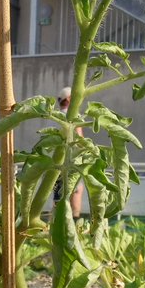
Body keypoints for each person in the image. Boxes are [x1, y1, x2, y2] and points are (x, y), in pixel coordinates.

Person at [54, 86, 84, 219]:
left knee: (58, 193)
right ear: (70, 99)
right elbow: (79, 139)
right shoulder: (73, 116)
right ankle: (75, 223)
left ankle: (55, 222)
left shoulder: (55, 116)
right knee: (76, 191)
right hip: (71, 161)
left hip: (55, 162)